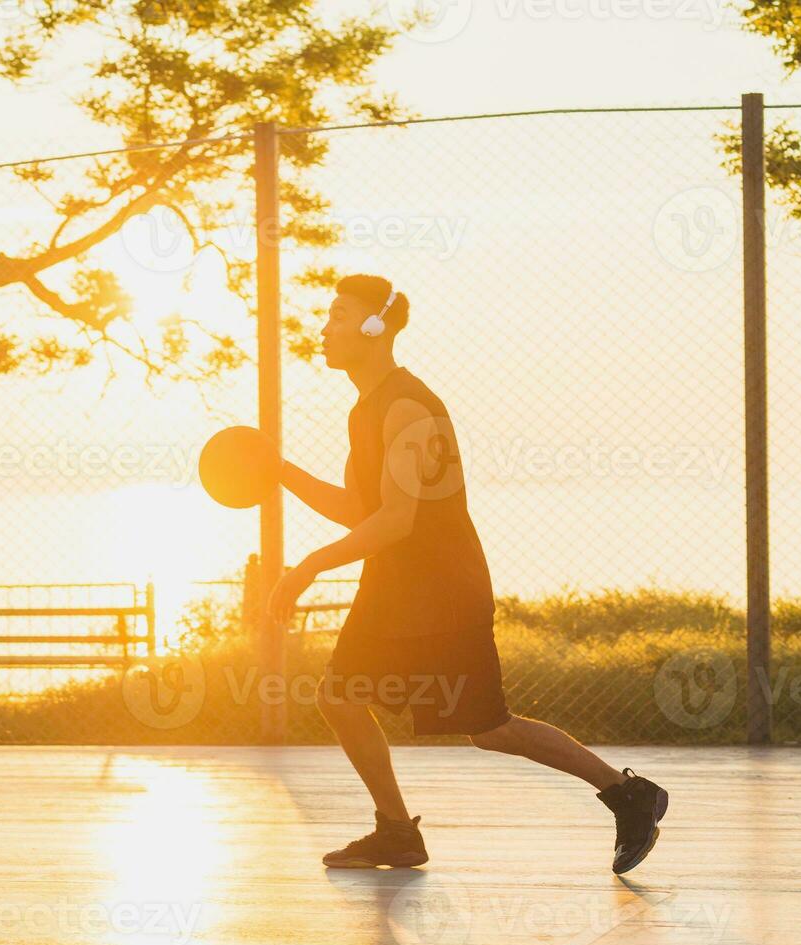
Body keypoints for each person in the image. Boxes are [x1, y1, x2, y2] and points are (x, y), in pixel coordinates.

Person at [268, 274, 668, 874]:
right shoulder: (366, 407)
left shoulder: (405, 405)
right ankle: (397, 832)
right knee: (341, 695)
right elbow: (362, 509)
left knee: (489, 728)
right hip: (395, 586)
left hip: (441, 588)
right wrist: (279, 470)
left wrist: (307, 567)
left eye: (339, 315)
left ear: (375, 328)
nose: (323, 328)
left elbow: (397, 520)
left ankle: (626, 793)